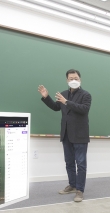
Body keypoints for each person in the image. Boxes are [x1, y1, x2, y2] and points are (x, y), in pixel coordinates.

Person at [38, 69, 92, 203]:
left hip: (80, 135)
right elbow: (56, 107)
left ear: (80, 79)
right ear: (67, 80)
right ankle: (72, 185)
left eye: (76, 78)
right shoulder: (63, 94)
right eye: (70, 78)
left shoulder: (86, 95)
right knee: (69, 163)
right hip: (66, 134)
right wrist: (46, 97)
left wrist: (66, 102)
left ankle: (80, 190)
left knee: (81, 164)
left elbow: (84, 109)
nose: (73, 80)